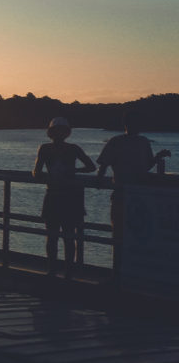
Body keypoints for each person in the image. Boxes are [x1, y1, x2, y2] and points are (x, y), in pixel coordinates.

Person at [33, 117, 96, 276]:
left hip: (61, 196)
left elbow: (36, 173)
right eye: (57, 131)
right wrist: (74, 172)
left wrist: (72, 172)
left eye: (61, 131)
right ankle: (59, 269)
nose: (59, 134)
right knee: (60, 236)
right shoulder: (69, 149)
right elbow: (90, 167)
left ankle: (59, 270)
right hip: (65, 196)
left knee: (61, 236)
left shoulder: (48, 148)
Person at [95, 111, 171, 241]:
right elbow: (103, 166)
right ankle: (119, 260)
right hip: (122, 194)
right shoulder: (116, 141)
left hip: (139, 196)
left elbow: (145, 166)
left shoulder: (143, 142)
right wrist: (99, 180)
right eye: (132, 122)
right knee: (120, 234)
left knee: (136, 235)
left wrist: (158, 156)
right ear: (126, 124)